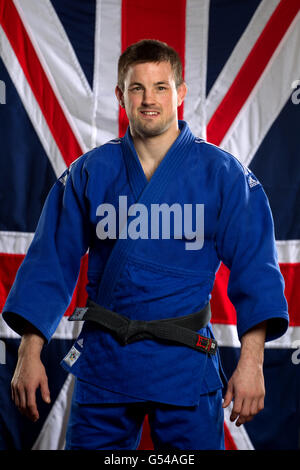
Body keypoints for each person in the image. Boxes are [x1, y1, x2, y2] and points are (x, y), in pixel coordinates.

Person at [2, 39, 288, 450]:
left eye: (160, 87)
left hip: (186, 362)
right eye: (137, 87)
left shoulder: (223, 176)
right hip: (106, 363)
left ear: (180, 93)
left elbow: (256, 270)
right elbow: (50, 262)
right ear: (120, 95)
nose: (148, 99)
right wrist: (30, 353)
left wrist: (252, 362)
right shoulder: (90, 173)